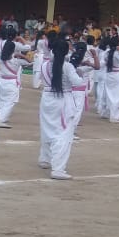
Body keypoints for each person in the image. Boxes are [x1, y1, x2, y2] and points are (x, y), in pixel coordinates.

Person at [37, 38, 84, 180]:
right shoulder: (67, 66)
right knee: (63, 134)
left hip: (47, 99)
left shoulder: (44, 65)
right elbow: (78, 83)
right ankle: (58, 168)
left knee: (47, 129)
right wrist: (79, 73)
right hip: (62, 100)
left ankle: (44, 158)